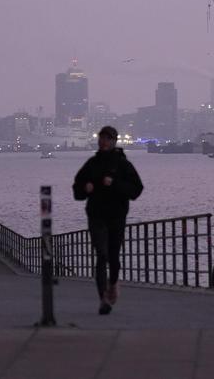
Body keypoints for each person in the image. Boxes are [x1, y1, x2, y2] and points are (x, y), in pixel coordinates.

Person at [72, 126, 143, 315]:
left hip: (117, 215)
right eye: (101, 138)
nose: (103, 141)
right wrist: (84, 189)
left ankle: (113, 283)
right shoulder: (92, 164)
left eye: (108, 138)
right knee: (101, 255)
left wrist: (115, 185)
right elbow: (77, 189)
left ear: (114, 141)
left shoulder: (122, 164)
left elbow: (136, 189)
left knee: (113, 256)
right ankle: (102, 298)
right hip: (96, 215)